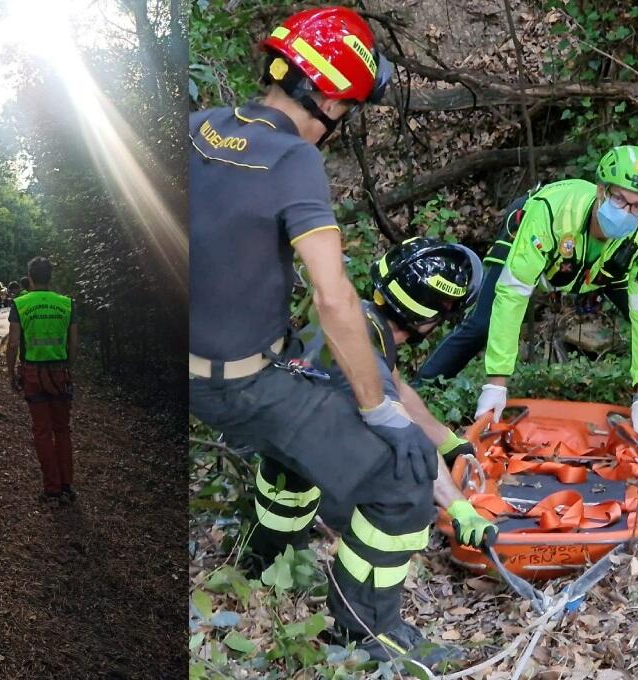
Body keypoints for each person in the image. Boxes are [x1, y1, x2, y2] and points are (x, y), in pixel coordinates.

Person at [188, 8, 456, 673]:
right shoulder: (293, 159)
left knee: (301, 440)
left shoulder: (196, 129)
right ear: (331, 98)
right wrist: (380, 411)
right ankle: (365, 635)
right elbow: (333, 299)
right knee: (403, 481)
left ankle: (264, 559)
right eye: (350, 105)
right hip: (239, 384)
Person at [253, 238, 498, 567]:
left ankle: (269, 561)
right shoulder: (368, 367)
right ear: (428, 317)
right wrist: (460, 509)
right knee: (407, 495)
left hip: (282, 456)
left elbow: (402, 393)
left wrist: (451, 443)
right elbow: (408, 439)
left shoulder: (362, 320)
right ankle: (367, 594)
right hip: (321, 478)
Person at [415, 147, 638, 434]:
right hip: (533, 234)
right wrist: (496, 384)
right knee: (483, 321)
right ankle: (424, 387)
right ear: (601, 190)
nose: (627, 212)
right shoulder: (551, 213)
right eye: (620, 199)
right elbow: (512, 296)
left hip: (603, 264)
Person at [7, 257, 78, 503]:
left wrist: (10, 373)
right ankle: (67, 485)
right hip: (60, 373)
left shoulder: (21, 304)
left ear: (30, 275)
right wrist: (68, 369)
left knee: (42, 432)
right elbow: (74, 344)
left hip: (33, 374)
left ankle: (52, 488)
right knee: (63, 430)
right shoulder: (67, 304)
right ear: (51, 276)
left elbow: (13, 343)